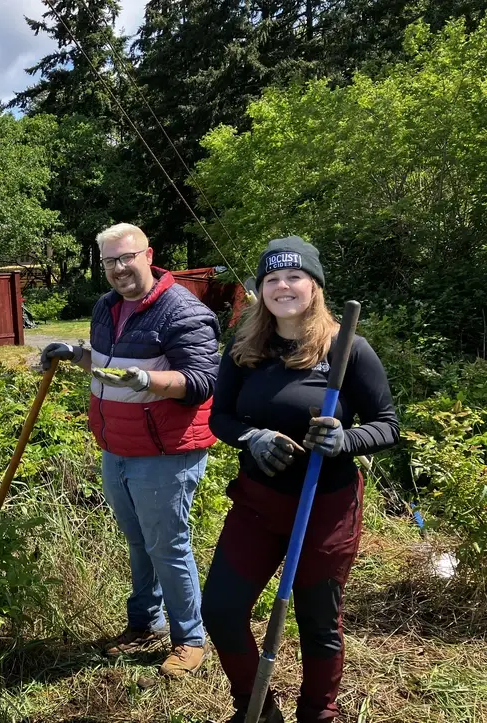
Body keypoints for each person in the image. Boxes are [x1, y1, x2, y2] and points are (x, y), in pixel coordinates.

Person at [201, 236, 400, 723]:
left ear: (314, 285)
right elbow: (220, 417)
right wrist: (251, 438)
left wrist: (345, 440)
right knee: (222, 611)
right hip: (258, 504)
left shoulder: (347, 347)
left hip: (324, 507)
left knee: (317, 622)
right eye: (272, 278)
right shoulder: (245, 347)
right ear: (261, 289)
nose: (282, 286)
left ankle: (318, 715)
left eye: (294, 277)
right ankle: (258, 710)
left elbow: (388, 423)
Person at [40, 223, 220, 678]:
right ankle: (144, 623)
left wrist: (151, 381)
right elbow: (105, 366)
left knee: (167, 545)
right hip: (116, 445)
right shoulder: (107, 306)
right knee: (139, 542)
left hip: (165, 452)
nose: (120, 268)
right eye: (110, 261)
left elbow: (203, 382)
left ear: (148, 255)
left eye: (127, 258)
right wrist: (73, 352)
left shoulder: (183, 311)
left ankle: (189, 639)